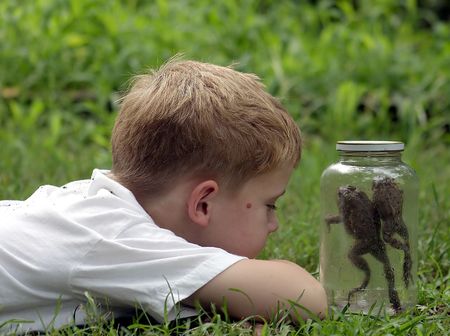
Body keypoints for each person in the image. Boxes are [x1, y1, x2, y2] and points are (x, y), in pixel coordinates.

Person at [0, 59, 327, 333]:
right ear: (202, 203)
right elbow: (307, 298)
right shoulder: (117, 237)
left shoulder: (93, 212)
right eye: (269, 205)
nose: (275, 225)